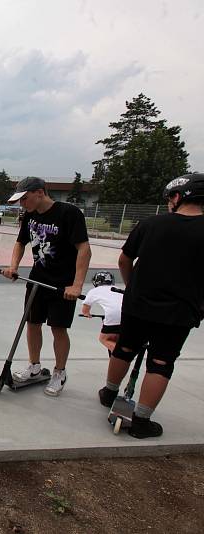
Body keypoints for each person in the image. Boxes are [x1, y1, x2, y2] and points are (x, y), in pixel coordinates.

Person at [98, 173, 204, 439]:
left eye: (170, 198)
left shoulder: (151, 224)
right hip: (179, 312)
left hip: (138, 305)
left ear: (179, 197)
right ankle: (141, 421)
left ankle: (109, 391)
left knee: (124, 348)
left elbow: (124, 260)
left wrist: (133, 287)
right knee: (160, 363)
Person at [1, 177, 91, 396]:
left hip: (62, 285)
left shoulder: (69, 213)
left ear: (40, 192)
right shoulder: (30, 215)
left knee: (58, 328)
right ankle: (34, 366)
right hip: (37, 279)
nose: (22, 204)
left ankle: (59, 372)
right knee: (32, 323)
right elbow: (20, 242)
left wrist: (77, 285)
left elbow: (84, 249)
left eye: (25, 199)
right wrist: (13, 266)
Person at [80, 271, 121, 353]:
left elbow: (85, 308)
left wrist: (87, 314)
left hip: (113, 316)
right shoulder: (117, 288)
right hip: (127, 316)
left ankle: (119, 355)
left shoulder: (94, 291)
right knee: (119, 340)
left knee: (104, 339)